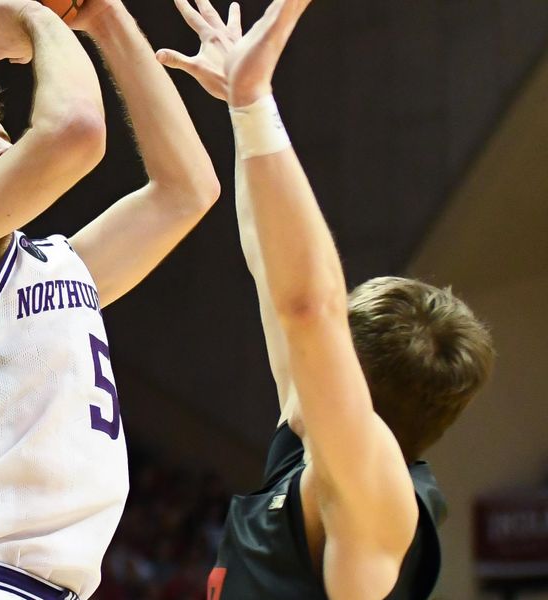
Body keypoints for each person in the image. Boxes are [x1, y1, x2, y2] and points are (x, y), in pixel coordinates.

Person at [0, 0, 220, 597]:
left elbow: (188, 190)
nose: (2, 149)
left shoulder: (61, 264)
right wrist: (37, 12)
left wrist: (105, 17)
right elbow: (75, 131)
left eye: (5, 135)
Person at [158, 0, 494, 598]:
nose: (312, 350)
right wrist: (245, 115)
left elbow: (310, 310)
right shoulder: (310, 445)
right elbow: (270, 262)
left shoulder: (378, 493)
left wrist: (255, 100)